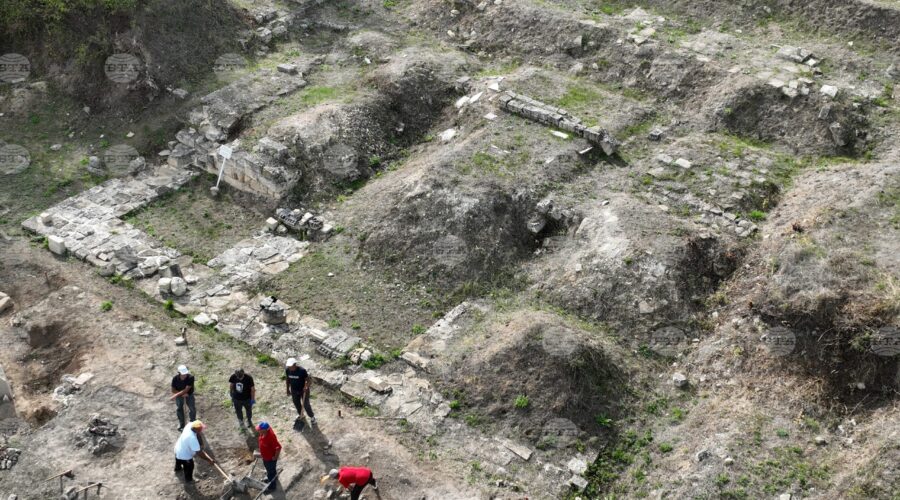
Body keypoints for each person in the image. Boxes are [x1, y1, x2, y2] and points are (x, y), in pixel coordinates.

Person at [285, 358, 316, 427]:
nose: (289, 368)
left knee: (306, 404)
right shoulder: (287, 370)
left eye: (290, 366)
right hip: (294, 390)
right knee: (296, 403)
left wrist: (306, 386)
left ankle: (312, 417)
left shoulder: (302, 371)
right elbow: (287, 380)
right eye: (288, 366)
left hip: (303, 390)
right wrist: (287, 389)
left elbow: (308, 381)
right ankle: (301, 414)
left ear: (295, 365)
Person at [256, 422, 281, 492]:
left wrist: (275, 457)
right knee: (270, 470)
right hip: (265, 457)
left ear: (264, 430)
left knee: (270, 472)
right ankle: (274, 478)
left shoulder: (271, 437)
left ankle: (272, 487)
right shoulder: (263, 433)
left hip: (270, 459)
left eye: (259, 429)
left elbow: (278, 447)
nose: (258, 430)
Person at [170, 365, 196, 431]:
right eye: (183, 374)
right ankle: (182, 424)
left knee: (192, 408)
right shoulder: (175, 379)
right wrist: (181, 394)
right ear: (179, 373)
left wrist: (175, 395)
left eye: (185, 373)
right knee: (179, 408)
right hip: (180, 396)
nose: (185, 375)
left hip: (189, 395)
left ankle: (193, 423)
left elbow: (187, 389)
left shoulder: (190, 377)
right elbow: (173, 390)